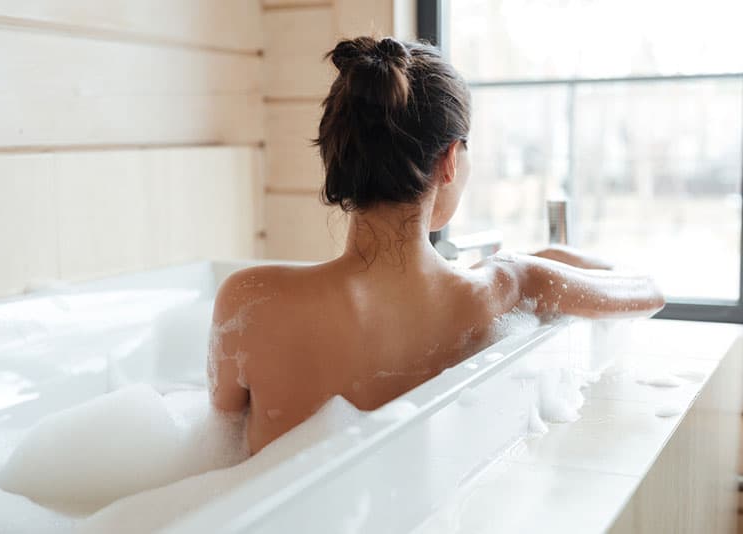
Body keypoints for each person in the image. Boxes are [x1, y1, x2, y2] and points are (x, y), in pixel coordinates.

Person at [209, 37, 664, 454]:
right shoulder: (504, 288)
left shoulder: (250, 300)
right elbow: (645, 292)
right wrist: (533, 264)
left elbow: (220, 440)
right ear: (449, 160)